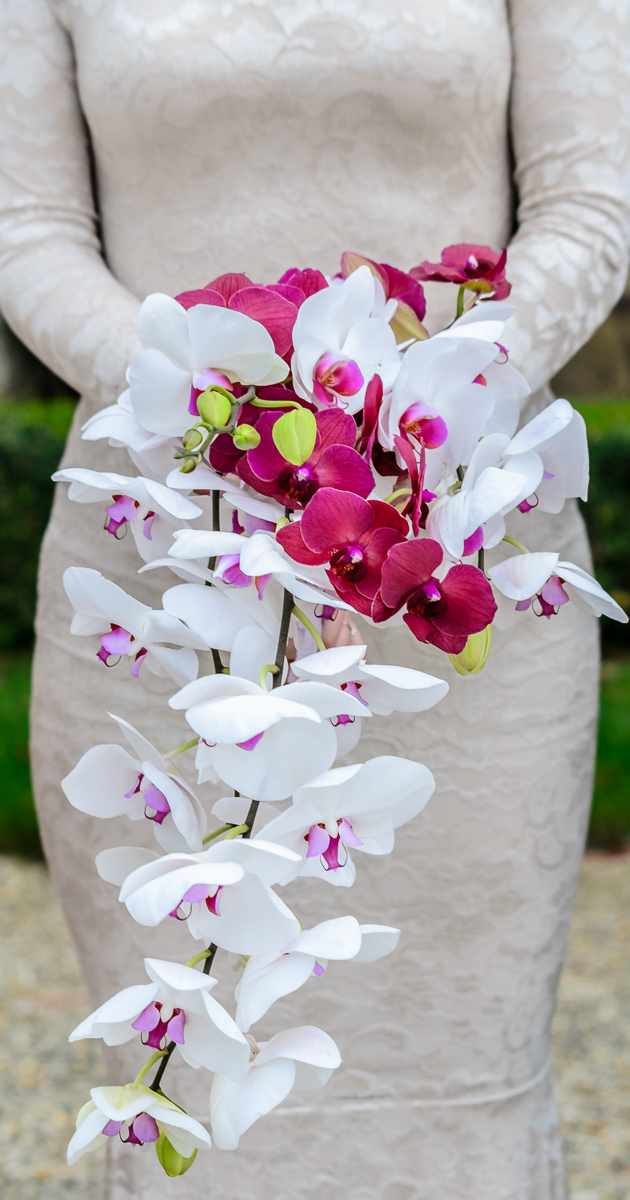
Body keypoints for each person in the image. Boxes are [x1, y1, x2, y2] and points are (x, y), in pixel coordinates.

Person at [1, 3, 629, 1197]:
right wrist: (216, 407)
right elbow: (25, 228)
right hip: (168, 550)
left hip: (452, 535)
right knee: (204, 1067)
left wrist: (415, 396)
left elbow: (592, 207)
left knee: (461, 1067)